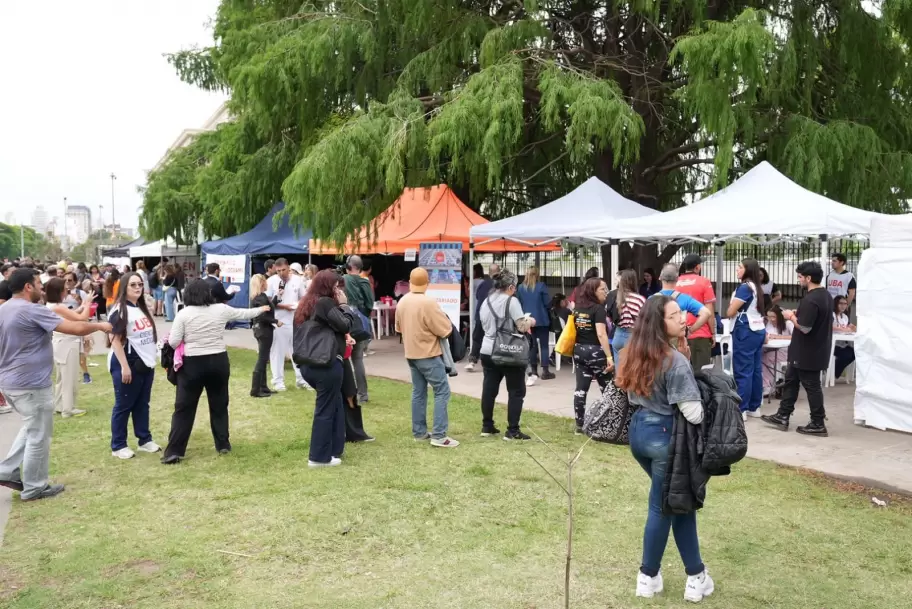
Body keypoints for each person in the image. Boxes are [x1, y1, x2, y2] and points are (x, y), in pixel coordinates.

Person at [615, 295, 713, 602]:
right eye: (674, 316)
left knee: (677, 503)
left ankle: (694, 575)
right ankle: (649, 575)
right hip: (666, 438)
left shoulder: (631, 351)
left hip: (639, 434)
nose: (683, 318)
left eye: (681, 313)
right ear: (660, 324)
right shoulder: (675, 361)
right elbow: (692, 412)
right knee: (664, 506)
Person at [0, 268, 111, 500]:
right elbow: (77, 327)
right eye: (39, 283)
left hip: (11, 383)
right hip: (31, 385)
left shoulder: (4, 309)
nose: (42, 287)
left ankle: (7, 470)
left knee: (31, 428)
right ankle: (34, 487)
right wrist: (100, 326)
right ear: (28, 287)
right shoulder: (32, 310)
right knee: (39, 435)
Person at [161, 280, 269, 464]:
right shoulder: (220, 309)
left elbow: (173, 341)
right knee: (219, 404)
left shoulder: (184, 314)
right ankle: (223, 444)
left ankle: (175, 450)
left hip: (192, 364)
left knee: (184, 408)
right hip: (218, 361)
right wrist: (262, 309)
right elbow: (243, 313)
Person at [761, 261, 833, 437]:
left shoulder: (811, 299)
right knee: (791, 380)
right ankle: (782, 415)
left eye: (800, 276)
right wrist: (797, 314)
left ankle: (818, 422)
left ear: (808, 278)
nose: (798, 280)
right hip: (807, 349)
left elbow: (805, 327)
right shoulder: (825, 295)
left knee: (812, 386)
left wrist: (791, 316)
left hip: (808, 350)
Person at [294, 270, 356, 467]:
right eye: (336, 286)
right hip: (325, 364)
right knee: (326, 408)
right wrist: (345, 305)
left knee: (335, 403)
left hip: (310, 363)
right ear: (329, 287)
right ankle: (319, 457)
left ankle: (334, 449)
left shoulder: (307, 304)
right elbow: (345, 324)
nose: (338, 290)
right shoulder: (325, 303)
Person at [396, 267, 458, 448]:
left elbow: (398, 329)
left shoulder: (402, 302)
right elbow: (445, 329)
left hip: (411, 353)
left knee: (418, 391)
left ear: (410, 281)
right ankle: (439, 436)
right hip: (428, 354)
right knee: (442, 391)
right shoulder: (428, 303)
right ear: (427, 283)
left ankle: (420, 432)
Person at [107, 273, 162, 459]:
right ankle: (118, 445)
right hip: (128, 362)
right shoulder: (120, 310)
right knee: (124, 405)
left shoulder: (139, 308)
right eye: (133, 285)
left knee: (142, 404)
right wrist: (124, 366)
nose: (137, 288)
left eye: (140, 284)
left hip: (145, 363)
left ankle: (144, 439)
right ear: (124, 287)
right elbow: (114, 340)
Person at [479, 270, 535, 440]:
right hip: (508, 350)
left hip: (488, 349)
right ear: (511, 287)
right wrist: (531, 321)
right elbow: (522, 326)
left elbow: (483, 324)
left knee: (489, 390)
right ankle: (512, 430)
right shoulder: (512, 301)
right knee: (516, 390)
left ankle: (487, 426)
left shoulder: (486, 301)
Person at [44, 278, 95, 418]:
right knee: (69, 377)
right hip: (67, 343)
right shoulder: (57, 306)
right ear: (59, 291)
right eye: (65, 288)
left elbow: (72, 315)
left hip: (60, 343)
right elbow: (82, 318)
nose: (67, 290)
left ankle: (59, 405)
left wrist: (83, 304)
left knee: (62, 377)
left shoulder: (51, 305)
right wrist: (88, 304)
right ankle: (68, 408)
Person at [571, 277, 615, 433]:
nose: (606, 292)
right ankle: (609, 424)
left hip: (579, 351)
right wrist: (609, 357)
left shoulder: (577, 309)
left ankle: (579, 424)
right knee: (608, 388)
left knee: (581, 388)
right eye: (603, 289)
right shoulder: (598, 309)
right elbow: (601, 334)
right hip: (596, 352)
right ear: (593, 291)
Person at [725, 258, 767, 419]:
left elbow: (730, 312)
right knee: (755, 369)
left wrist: (730, 308)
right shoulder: (757, 287)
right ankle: (754, 406)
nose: (737, 269)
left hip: (745, 329)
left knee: (743, 370)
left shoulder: (744, 288)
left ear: (748, 270)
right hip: (758, 329)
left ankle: (741, 408)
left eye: (740, 267)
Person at [266, 258, 309, 391]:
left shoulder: (297, 280)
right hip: (279, 321)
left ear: (288, 267)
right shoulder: (271, 281)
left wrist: (299, 306)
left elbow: (304, 297)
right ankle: (278, 381)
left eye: (283, 270)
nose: (281, 273)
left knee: (297, 351)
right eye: (278, 270)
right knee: (277, 352)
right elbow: (267, 302)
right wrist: (284, 306)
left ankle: (301, 379)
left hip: (295, 319)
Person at [675, 254, 717, 371]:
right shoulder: (704, 282)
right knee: (702, 373)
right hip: (700, 333)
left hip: (679, 333)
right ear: (697, 267)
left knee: (681, 371)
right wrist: (713, 333)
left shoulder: (675, 283)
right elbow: (709, 310)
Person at [342, 255, 375, 403]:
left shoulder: (342, 280)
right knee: (358, 359)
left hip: (344, 323)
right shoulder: (365, 282)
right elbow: (369, 304)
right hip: (360, 324)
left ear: (348, 266)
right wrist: (362, 317)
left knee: (343, 358)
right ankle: (363, 394)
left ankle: (346, 391)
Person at [657, 264, 712, 345]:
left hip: (658, 341)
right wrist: (690, 331)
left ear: (660, 278)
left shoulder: (651, 299)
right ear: (677, 279)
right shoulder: (684, 298)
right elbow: (706, 313)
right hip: (678, 342)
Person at [517, 266, 553, 384]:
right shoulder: (541, 286)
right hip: (542, 319)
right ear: (537, 275)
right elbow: (547, 303)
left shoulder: (521, 287)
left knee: (531, 346)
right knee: (544, 346)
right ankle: (545, 370)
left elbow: (519, 302)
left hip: (527, 319)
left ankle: (533, 370)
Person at [249, 273, 279, 398]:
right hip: (264, 330)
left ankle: (263, 386)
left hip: (258, 329)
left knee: (263, 357)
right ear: (262, 283)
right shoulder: (261, 298)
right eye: (265, 281)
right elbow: (263, 316)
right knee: (262, 359)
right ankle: (256, 389)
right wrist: (276, 321)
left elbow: (267, 310)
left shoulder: (256, 297)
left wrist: (277, 298)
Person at [465, 263, 500, 372]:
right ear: (499, 272)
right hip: (495, 316)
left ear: (489, 273)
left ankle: (472, 361)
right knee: (496, 338)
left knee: (477, 338)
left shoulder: (483, 284)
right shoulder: (501, 285)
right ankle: (495, 360)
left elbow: (477, 296)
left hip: (480, 314)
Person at [613, 269, 647, 361]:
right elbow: (645, 320)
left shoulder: (614, 297)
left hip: (617, 335)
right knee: (633, 370)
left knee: (619, 371)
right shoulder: (639, 299)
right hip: (632, 335)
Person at [762, 305, 793, 396]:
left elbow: (796, 337)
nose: (771, 319)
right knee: (758, 355)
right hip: (772, 349)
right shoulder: (770, 324)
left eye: (773, 317)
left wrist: (779, 337)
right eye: (769, 316)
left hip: (786, 351)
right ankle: (767, 383)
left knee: (765, 358)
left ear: (779, 316)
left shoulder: (788, 324)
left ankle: (768, 385)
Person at [833, 295, 856, 379]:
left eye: (845, 304)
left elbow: (850, 327)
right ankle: (834, 373)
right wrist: (842, 329)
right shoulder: (831, 315)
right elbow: (828, 327)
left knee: (854, 353)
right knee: (846, 355)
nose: (843, 306)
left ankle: (835, 372)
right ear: (835, 304)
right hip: (832, 345)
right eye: (841, 303)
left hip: (842, 344)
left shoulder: (845, 317)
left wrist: (853, 328)